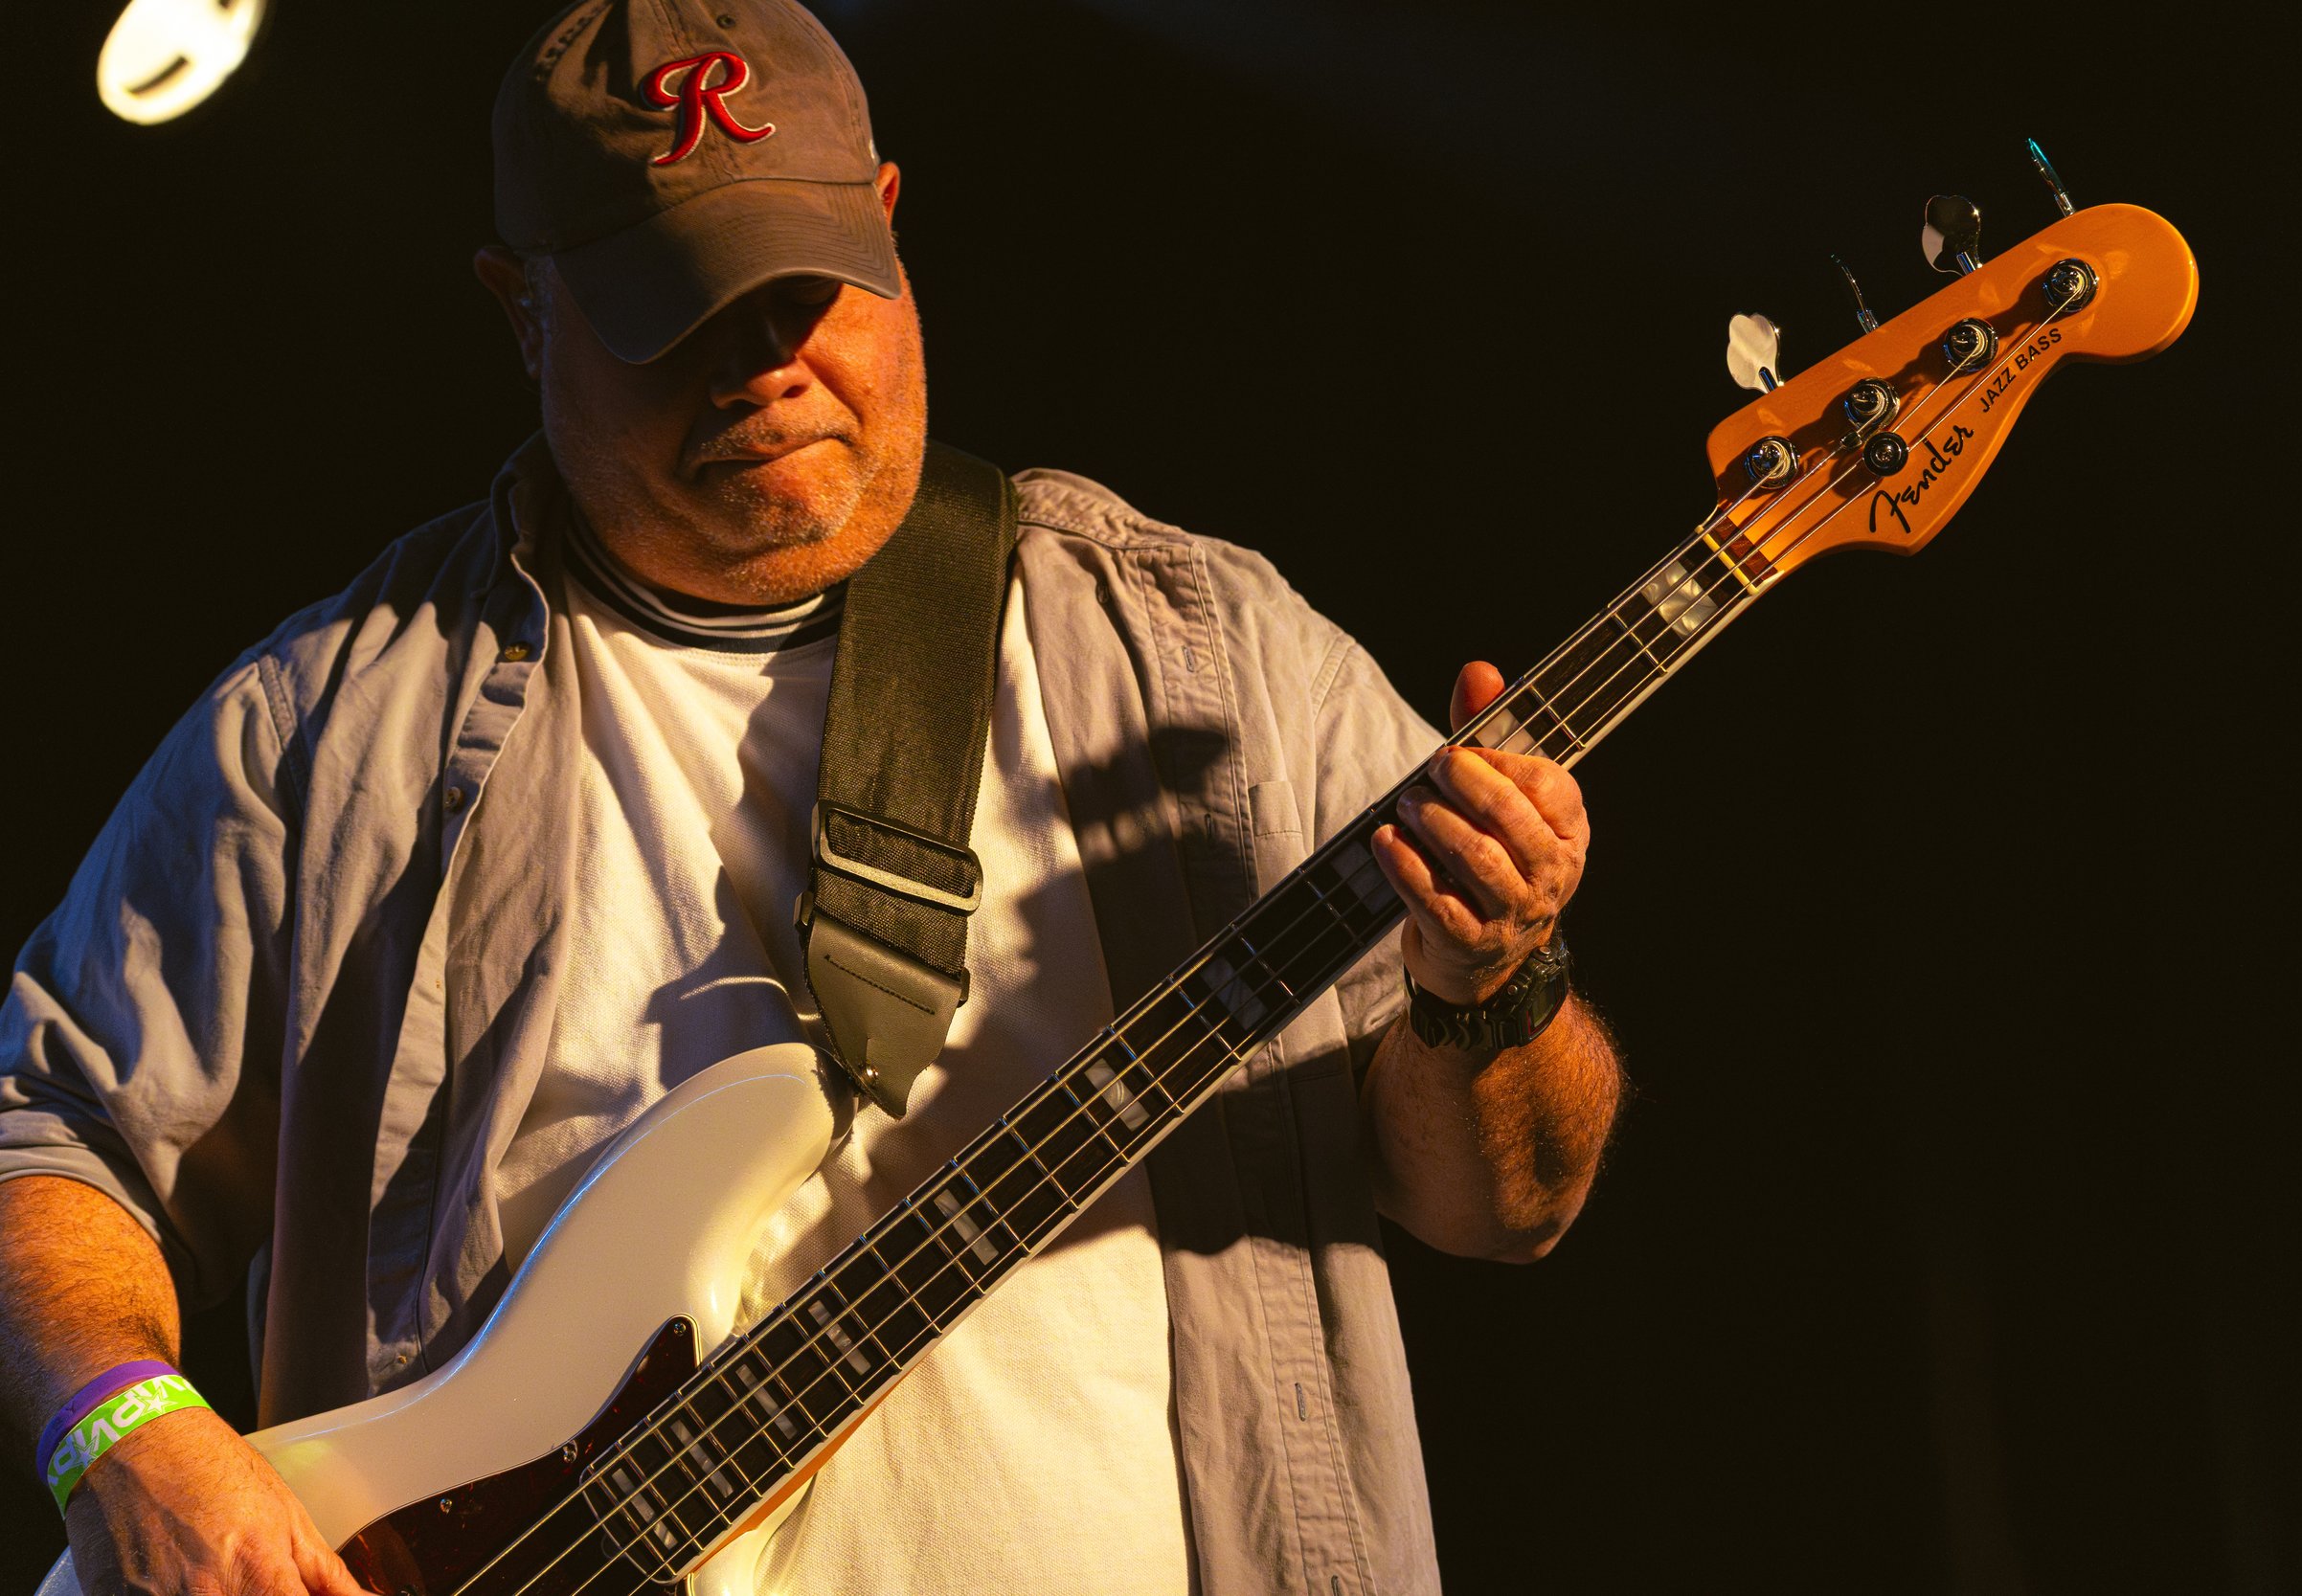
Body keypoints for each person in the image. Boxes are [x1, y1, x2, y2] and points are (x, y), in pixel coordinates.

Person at [0, 2, 1621, 1591]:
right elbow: (40, 1133)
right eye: (677, 308)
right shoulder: (328, 729)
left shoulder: (1208, 656)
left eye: (805, 287)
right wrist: (122, 1430)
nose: (766, 365)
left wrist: (1492, 989)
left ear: (892, 225)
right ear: (524, 312)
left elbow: (1509, 1209)